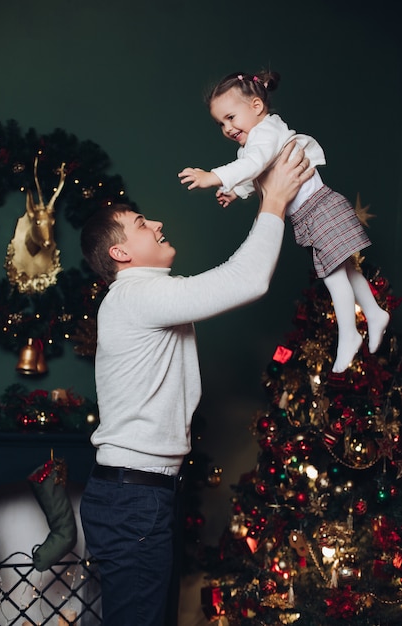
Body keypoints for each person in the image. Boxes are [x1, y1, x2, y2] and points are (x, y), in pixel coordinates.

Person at [79, 141, 313, 626]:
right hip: (134, 499)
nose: (158, 223)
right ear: (120, 252)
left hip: (138, 496)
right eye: (143, 224)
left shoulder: (142, 297)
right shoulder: (137, 296)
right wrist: (273, 201)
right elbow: (244, 280)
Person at [178, 70, 390, 373]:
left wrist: (213, 177)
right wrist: (235, 192)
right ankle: (374, 311)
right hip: (309, 214)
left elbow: (255, 163)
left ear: (256, 106)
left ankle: (350, 333)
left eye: (230, 117)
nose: (227, 128)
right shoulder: (255, 142)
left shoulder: (265, 133)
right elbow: (257, 171)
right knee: (343, 266)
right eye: (220, 124)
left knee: (333, 274)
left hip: (319, 209)